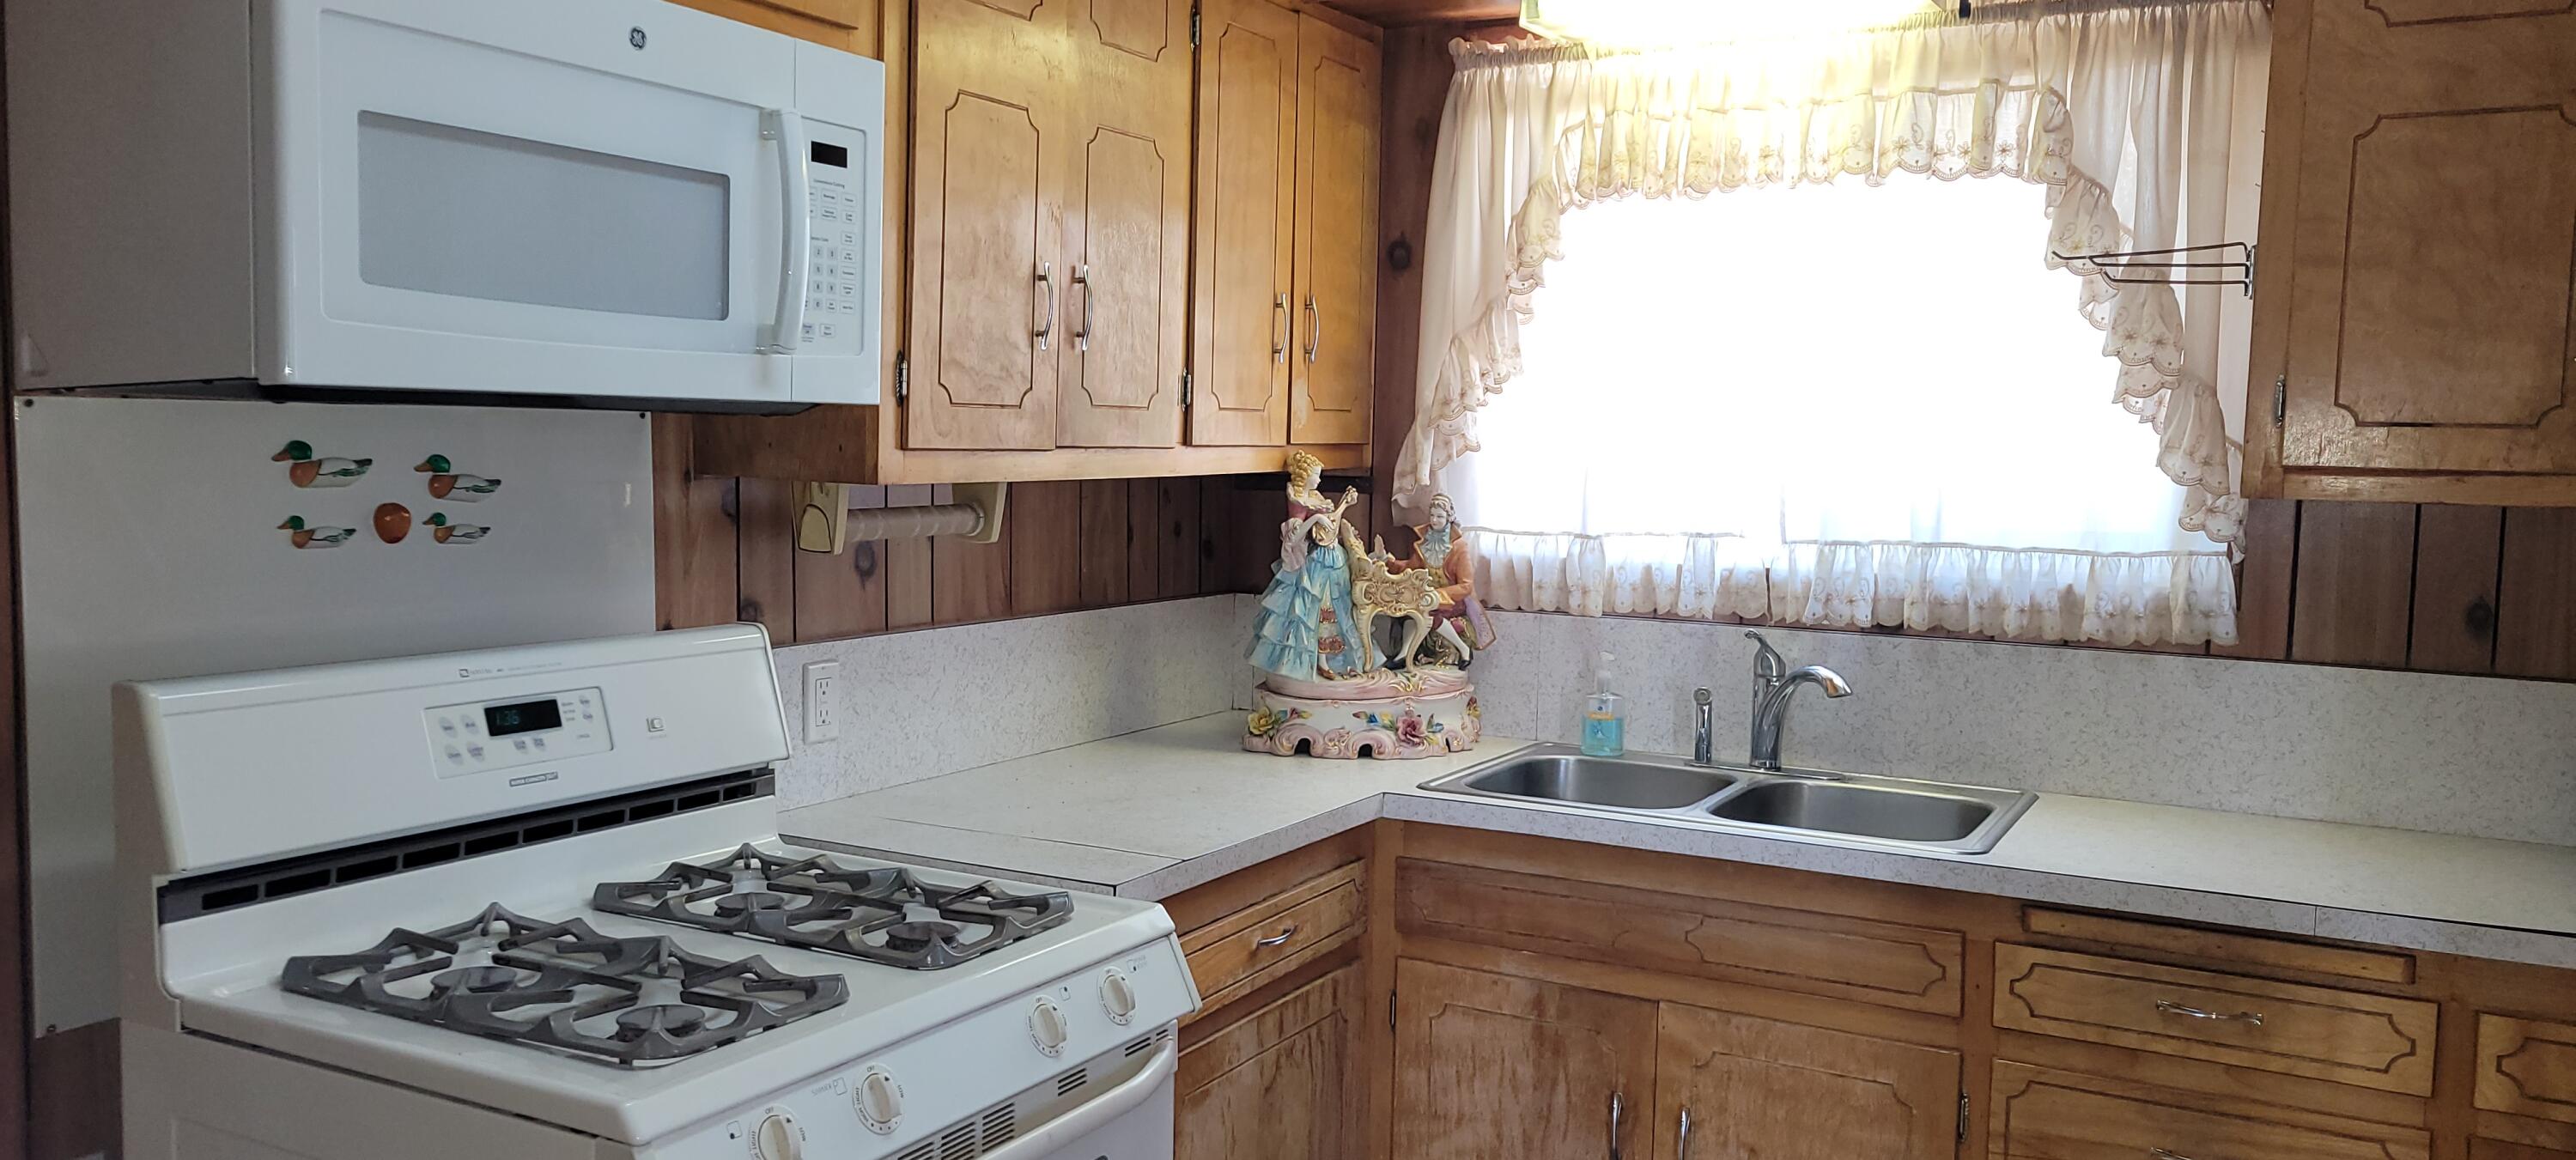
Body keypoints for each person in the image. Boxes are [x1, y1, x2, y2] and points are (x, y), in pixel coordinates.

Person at [1249, 452, 1365, 682]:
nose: (1319, 480)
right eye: (1316, 476)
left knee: (1339, 609)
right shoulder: (1297, 501)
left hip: (1333, 558)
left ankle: (1337, 660)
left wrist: (1344, 505)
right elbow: (1293, 538)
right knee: (1314, 612)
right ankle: (1313, 663)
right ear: (1305, 477)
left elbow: (1330, 525)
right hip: (1315, 563)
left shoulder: (1315, 496)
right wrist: (1315, 519)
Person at [1385, 492, 1497, 664]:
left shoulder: (1459, 547)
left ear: (1448, 518)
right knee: (1409, 612)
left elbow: (1466, 586)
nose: (1434, 520)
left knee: (1429, 613)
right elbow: (1411, 569)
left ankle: (1462, 649)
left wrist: (1438, 594)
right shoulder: (1424, 543)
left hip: (1450, 601)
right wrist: (1389, 561)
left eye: (1439, 516)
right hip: (1427, 596)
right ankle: (1405, 654)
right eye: (1432, 516)